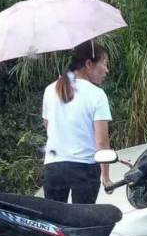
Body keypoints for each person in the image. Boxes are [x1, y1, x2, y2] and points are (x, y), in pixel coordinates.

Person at [43, 41, 112, 204]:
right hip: (84, 169)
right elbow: (102, 141)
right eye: (104, 63)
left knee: (55, 225)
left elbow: (48, 126)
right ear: (89, 64)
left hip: (53, 168)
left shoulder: (50, 89)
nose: (107, 70)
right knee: (82, 225)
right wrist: (106, 177)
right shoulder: (97, 95)